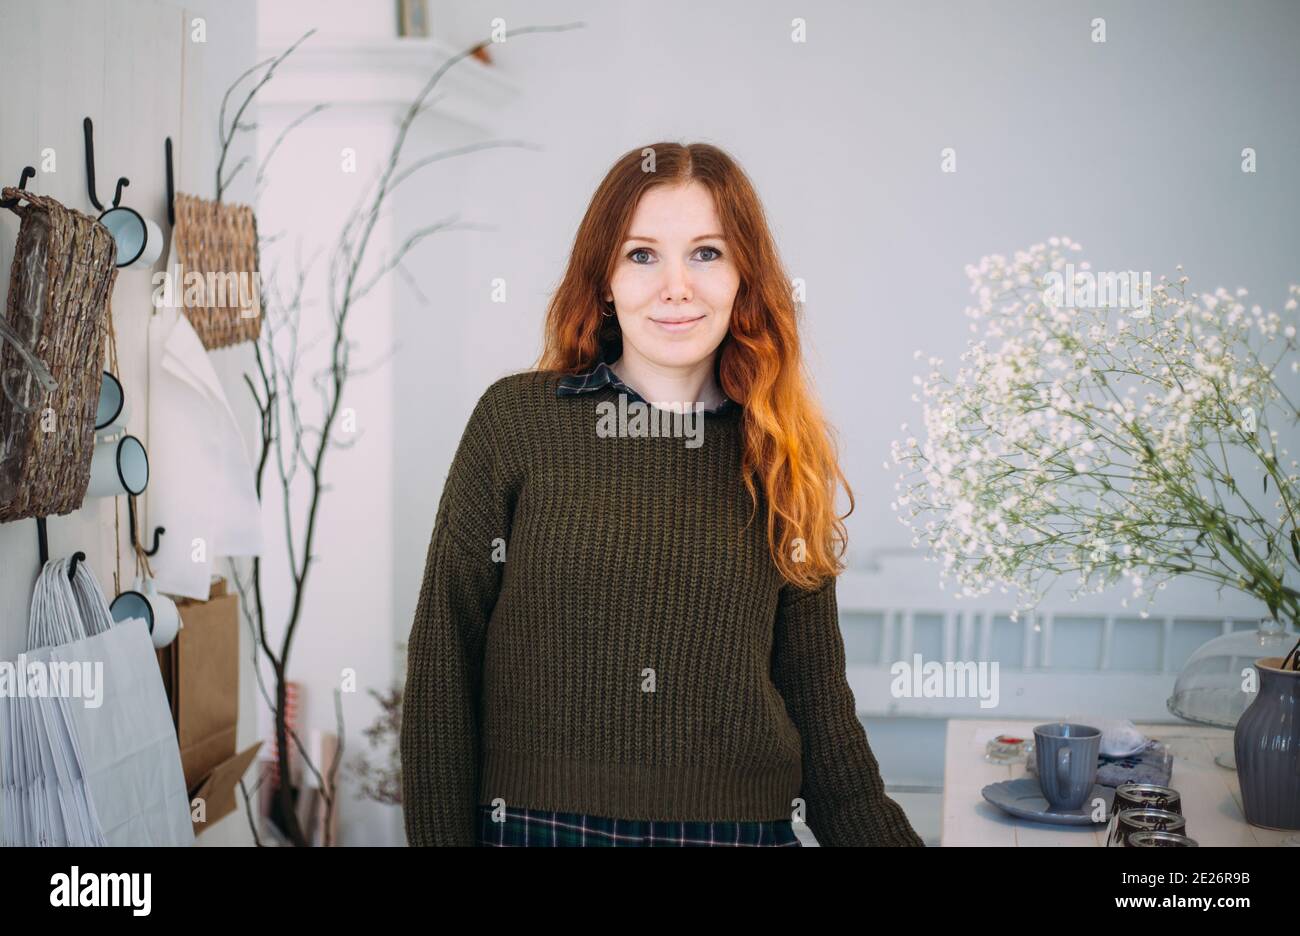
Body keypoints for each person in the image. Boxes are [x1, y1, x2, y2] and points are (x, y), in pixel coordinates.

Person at [401, 141, 923, 847]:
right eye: (641, 254)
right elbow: (442, 658)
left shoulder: (780, 450)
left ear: (744, 275)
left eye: (706, 253)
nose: (676, 286)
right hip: (537, 829)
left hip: (739, 833)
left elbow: (819, 703)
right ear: (604, 279)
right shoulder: (517, 422)